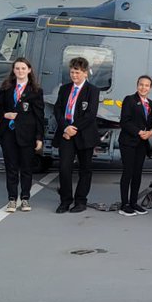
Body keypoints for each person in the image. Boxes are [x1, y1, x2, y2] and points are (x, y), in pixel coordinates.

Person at [0, 57, 45, 212]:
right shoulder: (6, 87)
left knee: (26, 168)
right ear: (13, 70)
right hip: (9, 133)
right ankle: (11, 198)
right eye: (17, 68)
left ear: (29, 70)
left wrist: (39, 137)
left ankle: (25, 198)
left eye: (23, 68)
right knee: (11, 167)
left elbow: (39, 115)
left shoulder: (35, 91)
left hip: (27, 135)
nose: (20, 71)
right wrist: (5, 115)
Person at [53, 57, 101, 213]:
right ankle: (65, 200)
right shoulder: (65, 89)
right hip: (66, 134)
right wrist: (65, 128)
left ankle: (81, 201)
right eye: (72, 72)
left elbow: (90, 114)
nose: (74, 75)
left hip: (84, 134)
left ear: (85, 73)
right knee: (64, 168)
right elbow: (58, 109)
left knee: (85, 169)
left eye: (77, 72)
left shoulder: (92, 91)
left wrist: (73, 128)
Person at [118, 75, 152, 216]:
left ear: (150, 88)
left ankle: (134, 202)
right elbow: (125, 121)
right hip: (128, 142)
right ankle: (124, 204)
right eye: (141, 84)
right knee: (128, 172)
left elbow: (150, 123)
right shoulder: (129, 100)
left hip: (142, 143)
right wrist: (139, 132)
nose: (143, 87)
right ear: (137, 85)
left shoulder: (150, 103)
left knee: (137, 173)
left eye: (146, 85)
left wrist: (151, 132)